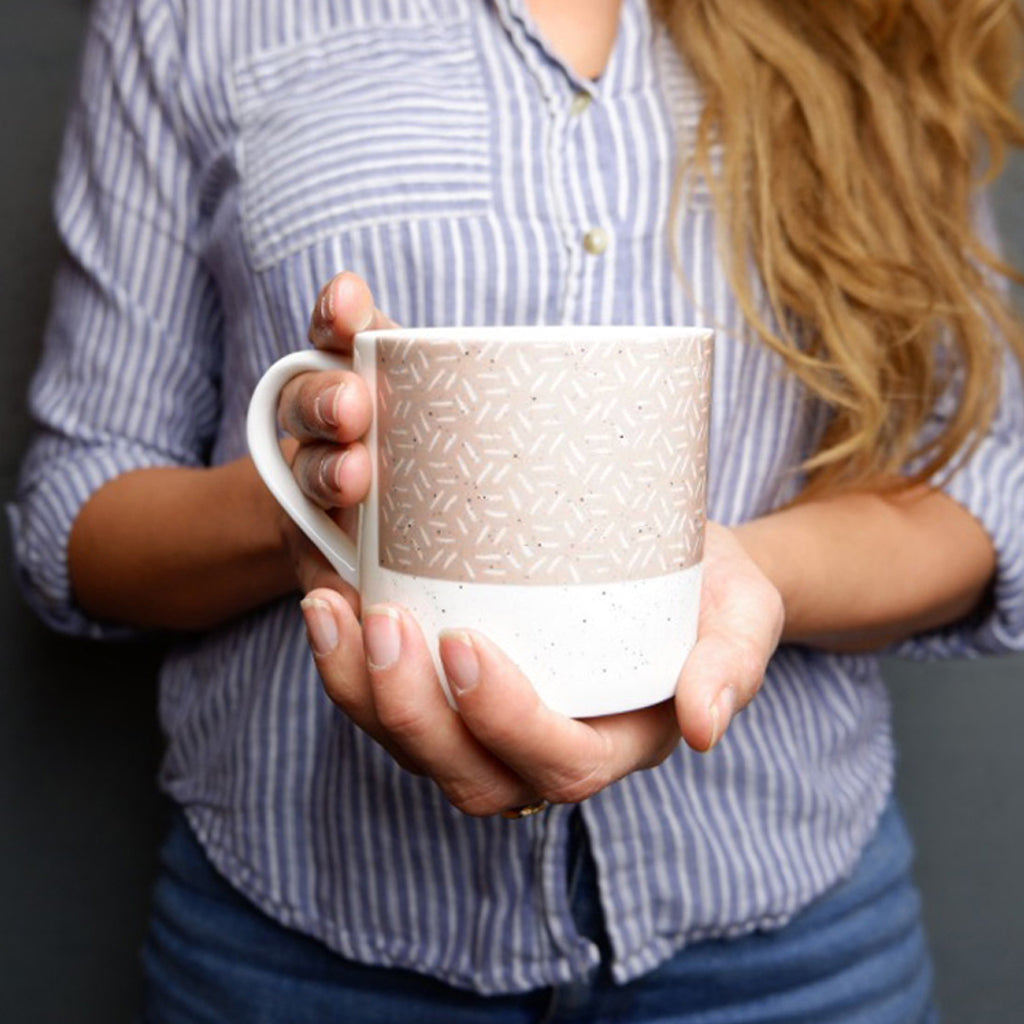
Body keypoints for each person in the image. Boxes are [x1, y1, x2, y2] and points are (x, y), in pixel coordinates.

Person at [10, 0, 1024, 1020]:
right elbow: (77, 516)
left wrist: (735, 576)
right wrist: (318, 494)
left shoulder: (867, 17)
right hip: (304, 944)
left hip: (792, 943)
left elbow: (979, 483)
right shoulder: (191, 18)